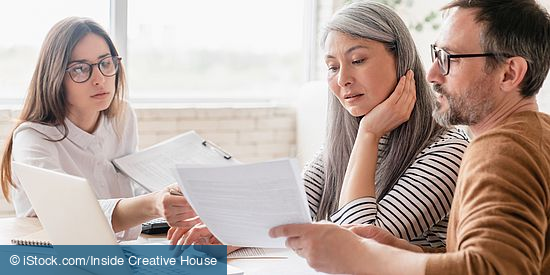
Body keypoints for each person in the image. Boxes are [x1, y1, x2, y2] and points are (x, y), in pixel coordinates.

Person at [270, 0, 550, 274]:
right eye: (436, 54)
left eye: (449, 59)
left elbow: (496, 269)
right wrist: (408, 252)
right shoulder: (531, 135)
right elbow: (494, 258)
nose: (430, 73)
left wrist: (367, 256)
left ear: (509, 73)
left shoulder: (500, 149)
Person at [170, 0, 469, 249]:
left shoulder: (448, 151)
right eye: (333, 67)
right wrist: (229, 236)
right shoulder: (341, 143)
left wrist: (369, 133)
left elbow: (360, 245)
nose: (342, 80)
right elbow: (291, 211)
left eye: (359, 59)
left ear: (401, 59)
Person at [0, 17, 193, 240]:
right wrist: (153, 203)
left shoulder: (122, 117)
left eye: (105, 63)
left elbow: (131, 184)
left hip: (121, 251)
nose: (99, 79)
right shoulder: (33, 138)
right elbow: (71, 215)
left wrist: (173, 195)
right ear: (55, 77)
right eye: (80, 69)